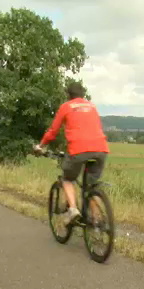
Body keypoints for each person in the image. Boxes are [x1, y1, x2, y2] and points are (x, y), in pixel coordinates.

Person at [33, 82, 109, 225]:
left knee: (67, 179)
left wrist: (40, 146)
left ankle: (73, 210)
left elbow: (53, 132)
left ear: (68, 95)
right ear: (82, 95)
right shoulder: (92, 106)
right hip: (101, 149)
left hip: (78, 149)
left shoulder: (66, 107)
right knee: (91, 186)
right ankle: (97, 219)